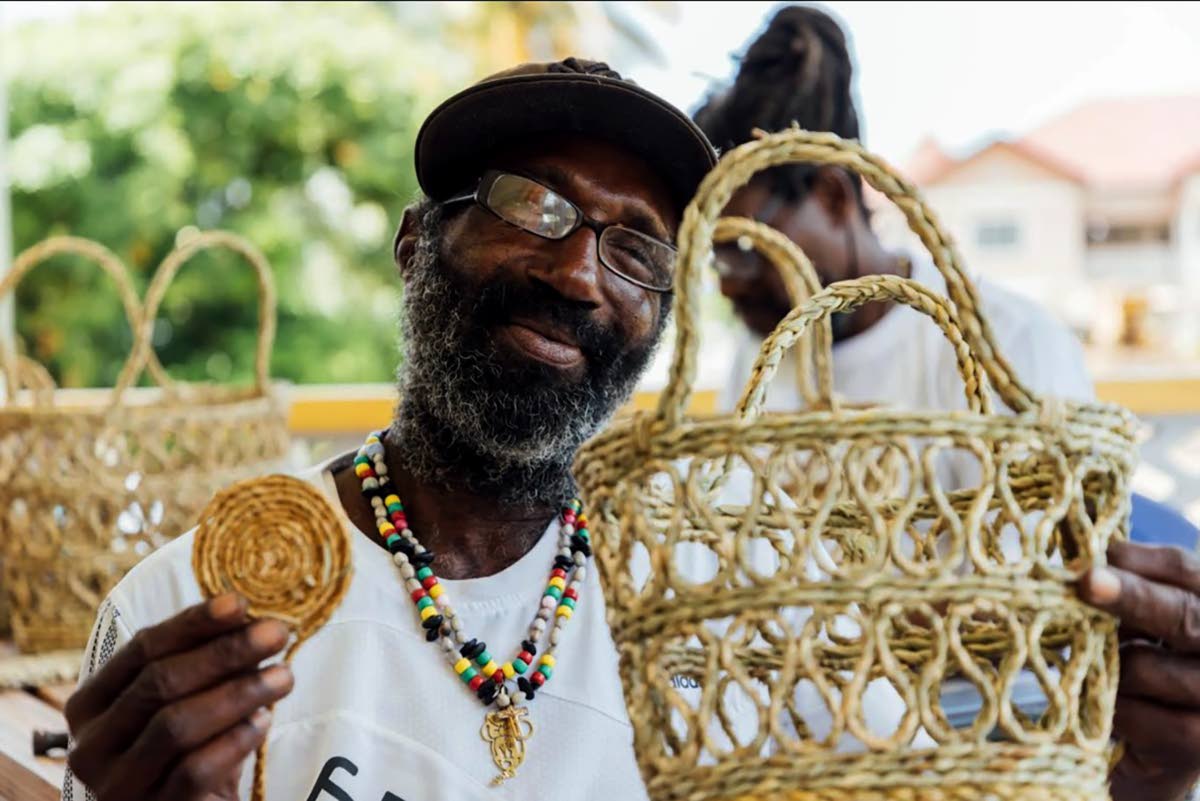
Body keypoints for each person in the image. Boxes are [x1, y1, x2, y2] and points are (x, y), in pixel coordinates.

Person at [61, 55, 1199, 801]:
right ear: (417, 245)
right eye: (532, 205)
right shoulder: (193, 617)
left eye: (638, 247)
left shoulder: (739, 603)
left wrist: (1143, 781)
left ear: (662, 319)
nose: (576, 271)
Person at [693, 7, 1200, 799]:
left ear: (833, 193)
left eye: (744, 248)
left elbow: (1053, 615)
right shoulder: (756, 367)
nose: (727, 283)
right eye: (712, 257)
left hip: (989, 753)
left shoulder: (1008, 346)